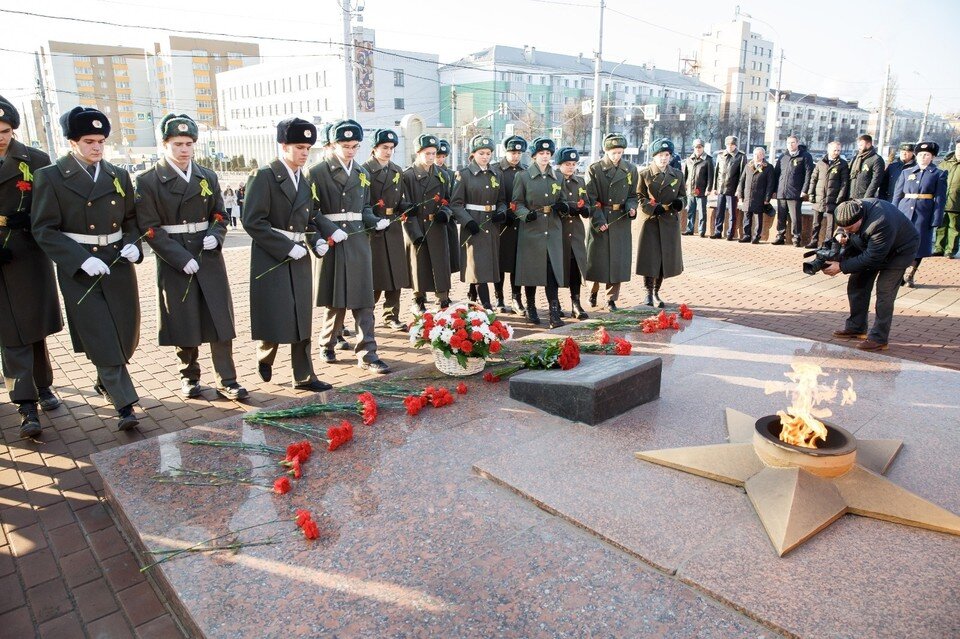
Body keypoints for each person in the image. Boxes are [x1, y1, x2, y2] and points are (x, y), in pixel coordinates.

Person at [33, 106, 143, 431]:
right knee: (101, 333)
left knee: (125, 333)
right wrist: (80, 259)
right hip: (81, 268)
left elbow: (132, 220)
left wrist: (134, 243)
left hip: (117, 263)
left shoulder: (117, 175)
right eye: (89, 141)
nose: (96, 147)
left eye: (101, 140)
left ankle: (104, 379)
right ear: (72, 142)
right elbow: (44, 229)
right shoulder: (50, 177)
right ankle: (125, 405)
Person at [135, 113, 248, 401]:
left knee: (219, 319)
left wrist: (216, 233)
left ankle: (228, 379)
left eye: (189, 143)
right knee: (183, 319)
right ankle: (189, 376)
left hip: (207, 256)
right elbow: (148, 227)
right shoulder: (148, 181)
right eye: (177, 144)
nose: (184, 150)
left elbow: (220, 214)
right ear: (165, 144)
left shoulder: (206, 175)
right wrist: (178, 257)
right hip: (175, 258)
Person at [242, 117, 331, 392]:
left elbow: (309, 218)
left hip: (299, 254)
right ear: (283, 146)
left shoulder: (303, 181)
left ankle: (304, 375)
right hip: (272, 255)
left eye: (308, 148)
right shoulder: (264, 176)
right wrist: (284, 246)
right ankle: (265, 353)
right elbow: (252, 221)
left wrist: (315, 241)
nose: (305, 153)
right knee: (277, 313)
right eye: (299, 146)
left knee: (301, 315)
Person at [0, 95, 63, 439]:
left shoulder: (36, 160)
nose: (0, 136)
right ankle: (25, 405)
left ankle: (44, 386)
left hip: (28, 253)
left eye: (6, 130)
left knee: (34, 328)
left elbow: (53, 207)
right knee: (11, 334)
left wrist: (34, 221)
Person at [309, 119, 390, 374]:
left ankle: (368, 353)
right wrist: (329, 230)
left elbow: (364, 207)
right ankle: (327, 342)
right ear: (333, 145)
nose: (350, 151)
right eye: (345, 146)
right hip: (332, 240)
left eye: (355, 146)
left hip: (357, 240)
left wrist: (374, 221)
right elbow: (311, 210)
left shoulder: (361, 173)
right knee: (336, 299)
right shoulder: (317, 171)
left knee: (363, 297)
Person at [823, 199, 920, 351]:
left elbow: (872, 258)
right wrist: (841, 233)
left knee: (884, 292)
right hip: (874, 247)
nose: (848, 231)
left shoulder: (880, 222)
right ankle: (856, 327)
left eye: (851, 228)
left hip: (900, 251)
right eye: (845, 228)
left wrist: (841, 266)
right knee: (857, 283)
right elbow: (844, 227)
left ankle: (879, 338)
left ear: (860, 219)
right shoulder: (849, 209)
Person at [512, 137, 569, 327]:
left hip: (552, 228)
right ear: (534, 156)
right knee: (531, 271)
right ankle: (530, 308)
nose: (545, 157)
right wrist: (525, 214)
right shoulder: (523, 176)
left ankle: (554, 313)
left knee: (552, 271)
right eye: (541, 154)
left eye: (548, 154)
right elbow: (516, 202)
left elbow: (564, 199)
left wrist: (563, 206)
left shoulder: (558, 176)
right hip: (531, 229)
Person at [450, 134, 506, 311]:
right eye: (481, 153)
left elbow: (502, 200)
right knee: (478, 266)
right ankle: (487, 305)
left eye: (488, 153)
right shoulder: (464, 174)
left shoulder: (497, 174)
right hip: (474, 224)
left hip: (491, 225)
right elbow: (456, 204)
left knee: (485, 266)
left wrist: (501, 212)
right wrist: (467, 221)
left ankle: (472, 297)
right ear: (473, 154)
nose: (485, 156)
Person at [362, 128, 410, 330]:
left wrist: (404, 207)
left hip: (393, 225)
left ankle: (392, 315)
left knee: (396, 272)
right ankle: (366, 316)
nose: (388, 152)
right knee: (376, 273)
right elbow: (362, 202)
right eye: (384, 147)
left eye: (391, 148)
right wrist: (373, 221)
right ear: (374, 149)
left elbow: (400, 197)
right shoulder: (364, 170)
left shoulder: (397, 170)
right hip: (374, 227)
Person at [585, 133, 638, 311]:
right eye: (614, 152)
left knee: (617, 261)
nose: (617, 156)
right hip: (601, 218)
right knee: (597, 261)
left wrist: (632, 207)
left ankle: (611, 299)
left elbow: (633, 195)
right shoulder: (595, 169)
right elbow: (591, 198)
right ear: (606, 151)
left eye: (620, 152)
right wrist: (598, 220)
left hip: (620, 221)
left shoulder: (630, 169)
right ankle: (593, 291)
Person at [401, 134, 453, 313]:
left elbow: (449, 200)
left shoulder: (442, 174)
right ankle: (418, 298)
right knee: (418, 263)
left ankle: (443, 297)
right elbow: (405, 206)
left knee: (440, 262)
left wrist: (445, 213)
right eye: (427, 153)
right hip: (417, 225)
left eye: (434, 153)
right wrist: (414, 233)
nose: (431, 157)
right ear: (418, 153)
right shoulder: (408, 176)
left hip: (437, 225)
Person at [637, 138, 685, 307]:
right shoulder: (644, 174)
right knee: (650, 259)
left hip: (669, 222)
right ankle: (648, 293)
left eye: (667, 155)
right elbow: (639, 196)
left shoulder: (677, 174)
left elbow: (683, 195)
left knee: (665, 259)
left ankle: (656, 292)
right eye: (660, 155)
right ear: (654, 156)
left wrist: (680, 203)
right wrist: (651, 208)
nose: (664, 158)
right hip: (651, 222)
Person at [892, 141, 947, 287]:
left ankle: (910, 274)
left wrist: (936, 218)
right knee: (900, 242)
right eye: (921, 154)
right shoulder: (906, 172)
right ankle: (899, 273)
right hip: (904, 210)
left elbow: (940, 198)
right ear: (916, 156)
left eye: (927, 155)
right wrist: (893, 212)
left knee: (919, 244)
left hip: (924, 213)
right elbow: (897, 194)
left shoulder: (938, 174)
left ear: (932, 157)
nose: (923, 157)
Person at [555, 146, 596, 319]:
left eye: (573, 164)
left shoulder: (580, 182)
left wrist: (585, 210)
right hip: (558, 230)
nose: (571, 167)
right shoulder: (553, 180)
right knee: (555, 268)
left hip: (576, 231)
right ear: (559, 165)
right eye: (567, 164)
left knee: (574, 267)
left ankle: (576, 303)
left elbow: (586, 202)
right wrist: (565, 209)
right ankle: (554, 303)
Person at [494, 135, 528, 314]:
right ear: (505, 152)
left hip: (520, 224)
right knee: (499, 262)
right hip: (501, 223)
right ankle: (499, 298)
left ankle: (517, 298)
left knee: (518, 262)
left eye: (519, 153)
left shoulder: (526, 170)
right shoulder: (495, 170)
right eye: (512, 152)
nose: (515, 156)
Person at [806, 141, 850, 248]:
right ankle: (814, 241)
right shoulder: (821, 163)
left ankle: (827, 243)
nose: (836, 152)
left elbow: (844, 183)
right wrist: (811, 194)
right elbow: (813, 179)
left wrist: (840, 197)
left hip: (833, 199)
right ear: (829, 149)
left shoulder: (843, 164)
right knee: (816, 223)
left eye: (838, 150)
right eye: (834, 150)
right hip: (819, 198)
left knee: (831, 224)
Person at [772, 135, 813, 246]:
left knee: (795, 218)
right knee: (781, 216)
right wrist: (775, 190)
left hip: (795, 193)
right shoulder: (782, 157)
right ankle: (780, 236)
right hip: (782, 192)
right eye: (789, 143)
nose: (791, 145)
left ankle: (796, 238)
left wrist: (804, 190)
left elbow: (808, 175)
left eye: (793, 142)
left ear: (797, 143)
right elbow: (776, 175)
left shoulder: (805, 156)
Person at [736, 147, 776, 244]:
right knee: (747, 217)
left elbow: (770, 184)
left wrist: (767, 198)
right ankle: (746, 235)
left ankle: (756, 236)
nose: (756, 156)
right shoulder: (748, 165)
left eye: (759, 154)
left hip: (759, 197)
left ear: (763, 155)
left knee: (758, 218)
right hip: (747, 196)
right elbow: (742, 181)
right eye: (755, 154)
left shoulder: (768, 167)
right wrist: (740, 195)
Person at [711, 135, 746, 240]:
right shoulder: (720, 155)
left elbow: (742, 175)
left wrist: (738, 190)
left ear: (735, 145)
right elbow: (716, 172)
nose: (730, 146)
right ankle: (718, 232)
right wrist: (715, 187)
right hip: (721, 188)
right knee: (719, 212)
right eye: (728, 144)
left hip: (732, 189)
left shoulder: (741, 156)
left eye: (733, 144)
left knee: (732, 213)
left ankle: (730, 233)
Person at [436, 139, 460, 278]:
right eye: (438, 156)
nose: (440, 159)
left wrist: (448, 211)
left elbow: (454, 197)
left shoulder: (451, 174)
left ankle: (445, 290)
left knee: (447, 256)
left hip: (447, 219)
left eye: (443, 157)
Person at [934, 136, 960, 258]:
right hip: (942, 201)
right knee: (940, 226)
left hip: (957, 202)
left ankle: (950, 250)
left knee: (954, 228)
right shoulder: (945, 163)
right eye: (958, 147)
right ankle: (938, 248)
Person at [682, 139, 714, 237]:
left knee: (702, 212)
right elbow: (685, 175)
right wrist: (684, 187)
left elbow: (710, 176)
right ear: (693, 148)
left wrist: (708, 189)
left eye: (700, 147)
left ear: (703, 148)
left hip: (701, 190)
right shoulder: (689, 159)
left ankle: (701, 231)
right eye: (696, 147)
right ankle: (689, 229)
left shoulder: (708, 159)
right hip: (691, 190)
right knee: (691, 211)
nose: (698, 149)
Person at [849, 134, 885, 199]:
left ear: (868, 144)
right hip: (851, 196)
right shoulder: (856, 158)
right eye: (858, 145)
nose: (859, 147)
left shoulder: (876, 159)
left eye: (861, 145)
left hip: (864, 198)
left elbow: (876, 181)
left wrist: (867, 197)